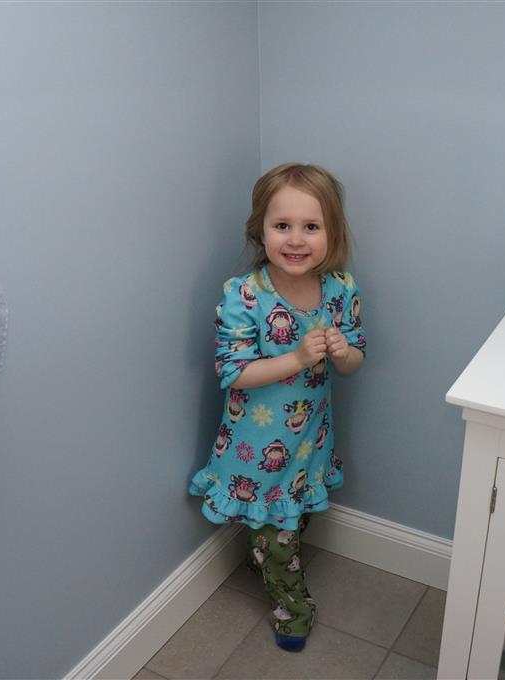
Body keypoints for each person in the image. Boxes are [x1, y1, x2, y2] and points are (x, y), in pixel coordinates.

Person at [189, 163, 366, 652]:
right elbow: (233, 372)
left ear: (332, 232)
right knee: (277, 531)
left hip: (310, 438)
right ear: (260, 230)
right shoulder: (245, 295)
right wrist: (297, 358)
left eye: (311, 226)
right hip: (255, 448)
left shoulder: (340, 289)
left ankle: (265, 558)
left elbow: (355, 360)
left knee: (293, 517)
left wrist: (341, 352)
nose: (296, 239)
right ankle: (294, 609)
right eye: (282, 225)